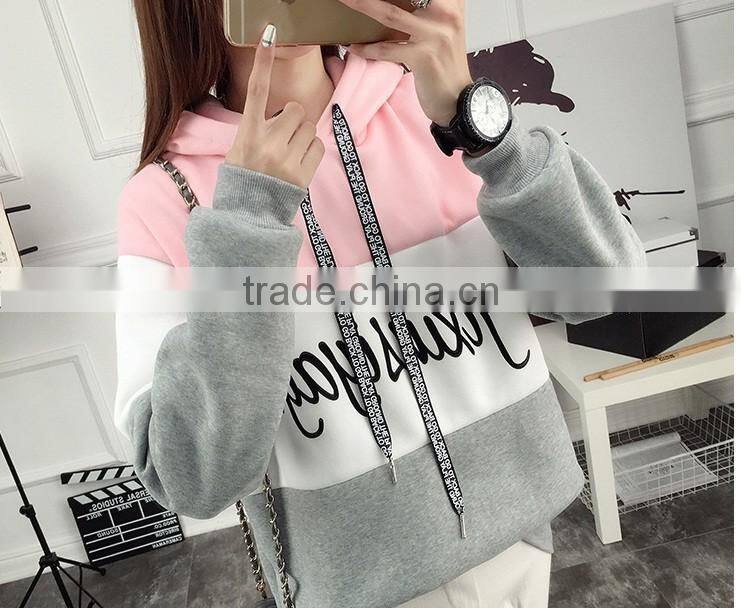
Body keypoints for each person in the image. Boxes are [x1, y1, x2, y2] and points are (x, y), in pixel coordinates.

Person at [114, 1, 646, 606]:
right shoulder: (162, 200)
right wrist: (246, 226)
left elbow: (605, 289)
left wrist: (484, 129)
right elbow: (191, 480)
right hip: (355, 590)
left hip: (518, 547)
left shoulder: (431, 105)